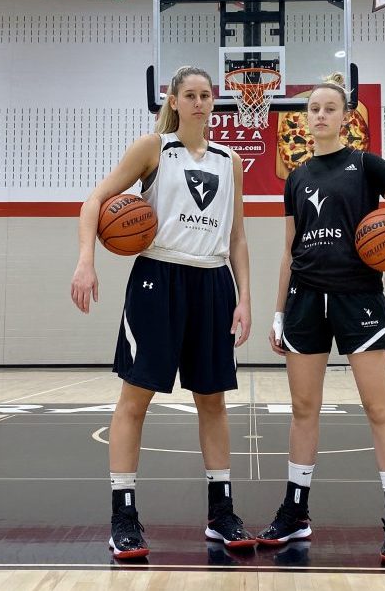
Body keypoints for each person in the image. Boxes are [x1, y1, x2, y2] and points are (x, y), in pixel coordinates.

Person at [70, 65, 255, 559]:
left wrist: (244, 296)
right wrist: (86, 261)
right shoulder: (153, 148)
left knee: (213, 401)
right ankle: (124, 516)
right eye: (189, 95)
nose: (198, 102)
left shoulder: (230, 160)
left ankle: (221, 513)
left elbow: (237, 238)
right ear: (173, 100)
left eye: (205, 95)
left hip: (213, 281)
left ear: (214, 102)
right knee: (136, 400)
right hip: (158, 278)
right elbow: (94, 202)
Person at [256, 73, 385, 564]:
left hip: (358, 296)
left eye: (328, 108)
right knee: (302, 411)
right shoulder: (295, 178)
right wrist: (276, 313)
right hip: (305, 299)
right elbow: (289, 252)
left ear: (346, 117)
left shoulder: (368, 165)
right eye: (312, 108)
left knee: (380, 410)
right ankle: (295, 512)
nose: (319, 115)